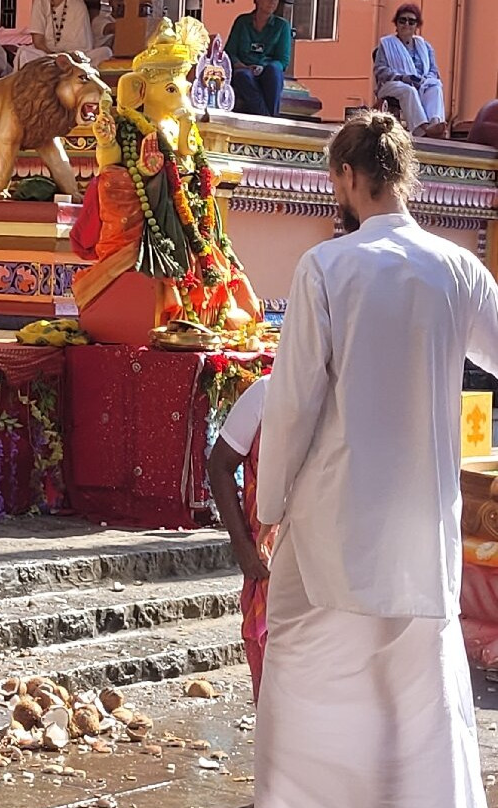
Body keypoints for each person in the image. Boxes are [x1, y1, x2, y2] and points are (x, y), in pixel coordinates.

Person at [254, 110, 497, 807]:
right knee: (418, 677)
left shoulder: (326, 265)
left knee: (305, 668)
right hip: (423, 518)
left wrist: (269, 508)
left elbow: (293, 401)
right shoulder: (458, 266)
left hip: (333, 513)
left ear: (345, 177)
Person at [208, 375, 270, 703]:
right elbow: (220, 464)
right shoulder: (267, 392)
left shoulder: (351, 395)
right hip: (269, 562)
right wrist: (242, 547)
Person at [374, 3, 446, 138]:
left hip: (420, 83)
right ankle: (422, 129)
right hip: (392, 84)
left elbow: (433, 70)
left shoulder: (425, 46)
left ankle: (434, 122)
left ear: (417, 26)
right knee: (408, 90)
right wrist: (403, 78)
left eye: (411, 21)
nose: (407, 24)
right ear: (396, 24)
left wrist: (424, 79)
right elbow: (380, 70)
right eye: (403, 20)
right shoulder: (386, 44)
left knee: (435, 86)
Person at [224, 0, 290, 118]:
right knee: (242, 76)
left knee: (273, 71)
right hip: (245, 70)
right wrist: (243, 66)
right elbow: (230, 53)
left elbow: (283, 61)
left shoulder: (282, 26)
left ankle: (268, 117)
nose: (272, 2)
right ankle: (268, 117)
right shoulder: (242, 22)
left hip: (267, 71)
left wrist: (264, 67)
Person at [12, 0, 109, 70]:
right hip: (46, 55)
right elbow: (38, 41)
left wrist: (65, 58)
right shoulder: (40, 2)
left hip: (73, 58)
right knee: (25, 53)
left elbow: (82, 48)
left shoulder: (77, 5)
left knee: (105, 52)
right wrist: (52, 55)